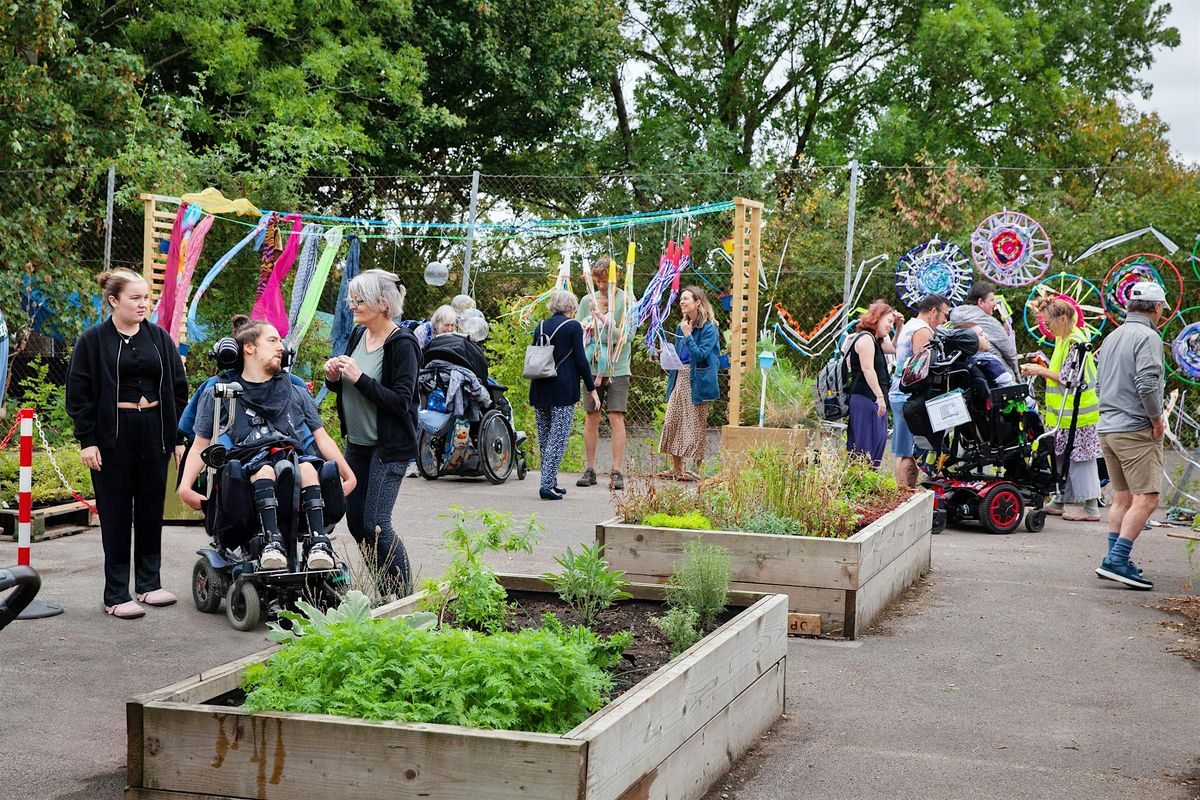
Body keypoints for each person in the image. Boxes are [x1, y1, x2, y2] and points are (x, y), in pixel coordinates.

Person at [179, 317, 356, 572]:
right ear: (249, 347)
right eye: (272, 340)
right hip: (249, 460)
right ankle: (271, 543)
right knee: (264, 470)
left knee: (307, 468)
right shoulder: (220, 392)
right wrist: (185, 487)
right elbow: (200, 445)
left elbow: (321, 437)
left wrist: (349, 475)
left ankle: (318, 543)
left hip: (290, 457)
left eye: (280, 341)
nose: (281, 347)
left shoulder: (294, 389)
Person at [66, 269, 189, 619]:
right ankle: (116, 594)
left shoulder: (159, 337)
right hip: (112, 435)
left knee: (151, 509)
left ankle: (149, 584)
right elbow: (79, 394)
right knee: (116, 513)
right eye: (135, 298)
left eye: (146, 297)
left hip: (154, 430)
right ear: (113, 300)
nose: (143, 304)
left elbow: (178, 389)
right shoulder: (92, 341)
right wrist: (87, 440)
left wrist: (177, 437)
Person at [324, 270, 421, 596]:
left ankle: (405, 596)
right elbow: (348, 387)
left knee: (377, 524)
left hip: (389, 447)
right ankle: (385, 590)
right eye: (352, 299)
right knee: (355, 523)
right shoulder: (358, 334)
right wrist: (333, 378)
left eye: (359, 300)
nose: (353, 305)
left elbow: (401, 401)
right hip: (357, 444)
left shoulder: (403, 344)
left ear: (383, 304)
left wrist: (360, 378)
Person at [1094, 282, 1167, 590]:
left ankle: (1113, 560)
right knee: (1147, 498)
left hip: (1108, 427)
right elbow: (1147, 383)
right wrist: (1156, 420)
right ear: (1157, 308)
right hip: (1134, 429)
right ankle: (1117, 560)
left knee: (1123, 497)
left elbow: (1099, 384)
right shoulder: (1148, 337)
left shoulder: (1112, 336)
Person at [1020, 298, 1101, 521]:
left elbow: (1068, 379)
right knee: (1060, 457)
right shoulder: (1063, 339)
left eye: (1048, 323)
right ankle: (1059, 499)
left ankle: (1091, 507)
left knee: (1081, 460)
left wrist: (1039, 371)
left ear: (1063, 319)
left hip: (1079, 415)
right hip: (1064, 414)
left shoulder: (1075, 342)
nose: (1047, 328)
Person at [528, 291, 598, 500]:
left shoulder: (541, 325)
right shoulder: (573, 326)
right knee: (558, 438)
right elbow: (580, 360)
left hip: (540, 385)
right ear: (571, 307)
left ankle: (550, 482)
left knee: (545, 437)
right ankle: (546, 485)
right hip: (562, 388)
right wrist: (591, 388)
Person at [577, 257, 632, 491]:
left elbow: (627, 336)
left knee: (616, 416)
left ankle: (616, 471)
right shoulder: (587, 300)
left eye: (605, 281)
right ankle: (590, 469)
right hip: (592, 367)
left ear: (614, 279)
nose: (601, 285)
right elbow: (578, 331)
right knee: (591, 416)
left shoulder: (625, 299)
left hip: (618, 367)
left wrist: (609, 328)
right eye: (597, 281)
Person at [659, 286, 722, 481]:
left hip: (698, 380)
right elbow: (681, 355)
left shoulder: (709, 328)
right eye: (681, 299)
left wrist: (688, 335)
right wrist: (667, 355)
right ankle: (677, 468)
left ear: (698, 302)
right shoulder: (682, 326)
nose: (682, 302)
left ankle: (696, 469)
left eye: (686, 298)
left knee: (695, 424)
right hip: (680, 376)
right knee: (672, 420)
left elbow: (701, 355)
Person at [889, 294, 948, 488]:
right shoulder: (922, 330)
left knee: (902, 451)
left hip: (898, 392)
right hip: (909, 397)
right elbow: (922, 368)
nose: (944, 321)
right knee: (909, 451)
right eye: (944, 315)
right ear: (933, 311)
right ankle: (906, 495)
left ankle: (902, 494)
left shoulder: (910, 325)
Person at [844, 300, 903, 468]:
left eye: (892, 322)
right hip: (865, 398)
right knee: (864, 446)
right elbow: (867, 369)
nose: (890, 326)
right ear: (877, 318)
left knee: (877, 442)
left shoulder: (877, 340)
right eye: (888, 321)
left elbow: (894, 348)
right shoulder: (866, 339)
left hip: (874, 399)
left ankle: (867, 479)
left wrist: (899, 326)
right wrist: (880, 397)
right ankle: (858, 479)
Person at [949, 281, 1019, 379]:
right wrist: (1017, 375)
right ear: (981, 302)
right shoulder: (988, 322)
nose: (994, 303)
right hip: (996, 374)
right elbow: (1010, 353)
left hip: (967, 375)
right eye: (992, 300)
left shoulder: (955, 320)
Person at [954, 322, 1016, 388]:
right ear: (969, 342)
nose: (986, 336)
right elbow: (1010, 387)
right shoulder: (989, 363)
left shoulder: (960, 363)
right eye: (981, 334)